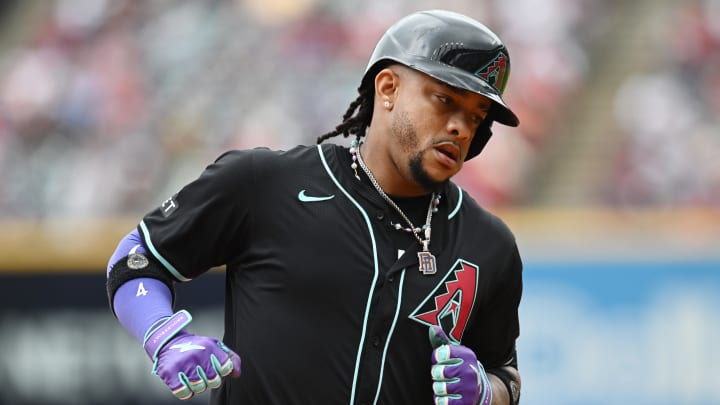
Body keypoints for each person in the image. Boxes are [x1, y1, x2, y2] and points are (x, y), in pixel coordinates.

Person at [106, 9, 523, 405]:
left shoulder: (490, 245)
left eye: (476, 115)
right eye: (445, 100)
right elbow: (138, 259)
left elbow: (505, 371)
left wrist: (488, 392)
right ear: (388, 88)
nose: (461, 126)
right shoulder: (265, 183)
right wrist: (164, 337)